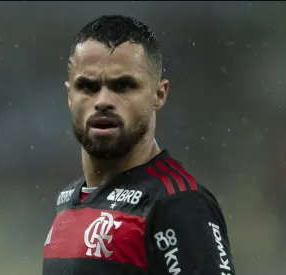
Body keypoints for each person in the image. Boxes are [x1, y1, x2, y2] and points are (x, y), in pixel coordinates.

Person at [42, 15, 235, 275]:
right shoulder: (68, 200)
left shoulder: (176, 203)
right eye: (87, 86)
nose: (103, 101)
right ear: (69, 96)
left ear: (159, 94)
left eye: (123, 86)